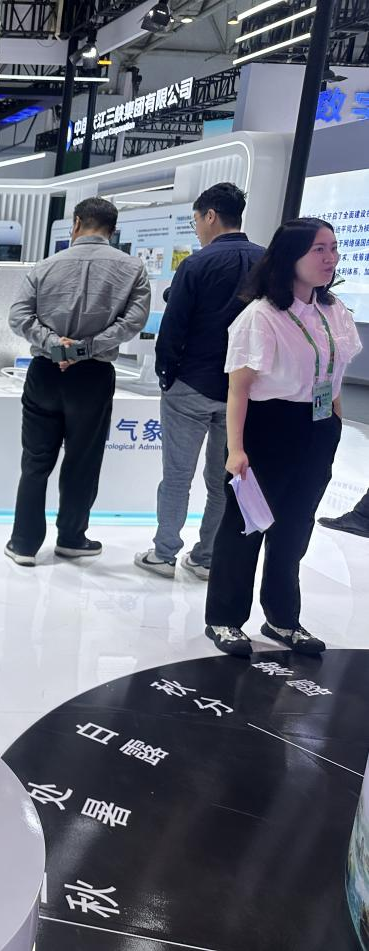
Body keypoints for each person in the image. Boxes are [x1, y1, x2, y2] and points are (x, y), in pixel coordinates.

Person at [203, 218, 362, 657]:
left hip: (317, 428)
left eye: (333, 248)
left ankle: (283, 618)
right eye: (318, 250)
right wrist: (236, 449)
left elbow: (332, 376)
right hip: (267, 428)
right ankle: (224, 618)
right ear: (290, 256)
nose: (330, 258)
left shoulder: (334, 311)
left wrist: (333, 423)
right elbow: (239, 389)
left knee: (295, 528)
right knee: (246, 526)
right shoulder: (261, 316)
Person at [5, 197, 151, 566]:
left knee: (35, 460)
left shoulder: (44, 266)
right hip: (93, 376)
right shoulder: (133, 269)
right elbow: (132, 323)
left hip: (46, 371)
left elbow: (19, 317)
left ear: (75, 224)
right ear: (112, 230)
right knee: (83, 460)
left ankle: (23, 544)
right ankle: (71, 538)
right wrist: (86, 349)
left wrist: (56, 346)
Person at [136, 184, 265, 581]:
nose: (196, 227)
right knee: (223, 479)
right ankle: (207, 557)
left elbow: (173, 329)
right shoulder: (266, 262)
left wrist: (166, 375)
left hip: (190, 386)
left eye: (196, 219)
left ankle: (164, 554)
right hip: (241, 392)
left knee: (177, 476)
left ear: (210, 216)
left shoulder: (196, 264)